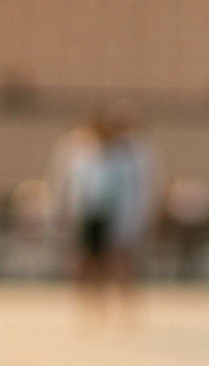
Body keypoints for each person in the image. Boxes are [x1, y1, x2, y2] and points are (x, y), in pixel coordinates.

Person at [51, 107, 158, 315]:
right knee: (88, 260)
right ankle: (91, 305)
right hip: (91, 214)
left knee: (120, 260)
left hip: (118, 215)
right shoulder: (82, 151)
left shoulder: (128, 155)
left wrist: (136, 218)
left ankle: (126, 305)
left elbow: (136, 190)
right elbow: (74, 186)